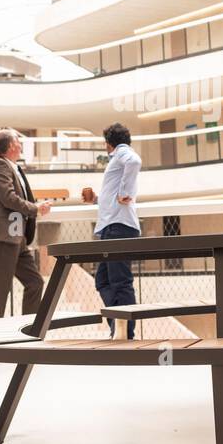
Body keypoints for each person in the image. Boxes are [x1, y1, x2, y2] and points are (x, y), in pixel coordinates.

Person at [81, 123, 141, 338]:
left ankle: (126, 333)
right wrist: (96, 199)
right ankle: (119, 326)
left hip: (118, 227)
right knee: (104, 280)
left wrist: (125, 191)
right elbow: (114, 196)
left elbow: (135, 162)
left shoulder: (122, 152)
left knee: (120, 281)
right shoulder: (117, 158)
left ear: (108, 143)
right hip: (112, 226)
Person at [0, 129, 50, 320]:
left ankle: (28, 331)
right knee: (1, 288)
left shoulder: (13, 167)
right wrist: (35, 209)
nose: (21, 145)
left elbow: (17, 197)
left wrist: (35, 207)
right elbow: (8, 198)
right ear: (11, 145)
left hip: (17, 237)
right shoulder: (0, 166)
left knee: (35, 282)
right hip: (5, 236)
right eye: (18, 141)